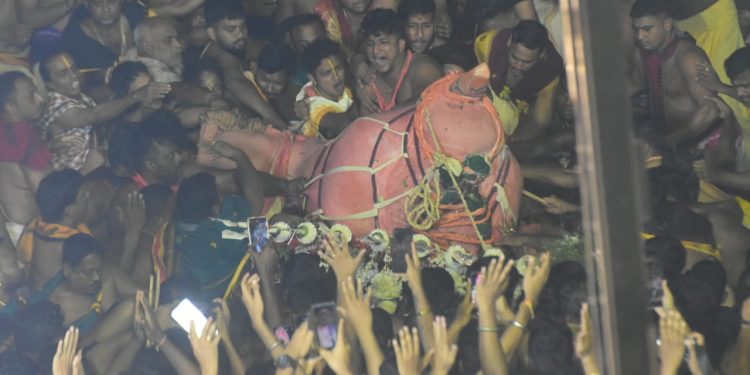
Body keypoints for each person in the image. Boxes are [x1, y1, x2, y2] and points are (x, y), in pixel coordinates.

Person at [38, 52, 171, 173]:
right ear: (49, 84)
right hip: (75, 179)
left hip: (98, 168)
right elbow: (95, 115)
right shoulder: (55, 106)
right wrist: (138, 95)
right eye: (63, 74)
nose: (73, 76)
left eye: (74, 69)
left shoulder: (79, 96)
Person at [629, 0, 724, 149]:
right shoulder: (640, 54)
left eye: (647, 29)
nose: (640, 36)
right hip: (671, 138)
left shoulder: (688, 58)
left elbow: (710, 110)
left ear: (667, 25)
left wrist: (666, 143)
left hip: (703, 140)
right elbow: (636, 83)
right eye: (636, 29)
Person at [202, 0, 289, 129]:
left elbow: (263, 47)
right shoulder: (220, 55)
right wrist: (280, 124)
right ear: (212, 33)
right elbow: (236, 81)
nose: (241, 34)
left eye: (243, 27)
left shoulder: (237, 43)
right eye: (231, 29)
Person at [474, 19, 563, 139]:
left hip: (518, 121)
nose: (518, 66)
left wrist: (508, 143)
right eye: (514, 57)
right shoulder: (488, 44)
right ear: (509, 41)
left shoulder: (550, 70)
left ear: (542, 54)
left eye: (527, 62)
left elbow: (540, 123)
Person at [16, 169, 91, 289]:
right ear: (69, 209)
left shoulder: (35, 224)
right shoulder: (74, 245)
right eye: (84, 195)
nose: (89, 197)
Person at [0, 72, 50, 248]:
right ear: (11, 107)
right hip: (34, 235)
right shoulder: (28, 139)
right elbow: (48, 197)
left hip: (10, 228)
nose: (40, 99)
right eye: (31, 95)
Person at [359, 9, 442, 114]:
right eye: (370, 44)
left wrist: (383, 119)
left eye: (384, 42)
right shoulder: (366, 79)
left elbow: (428, 100)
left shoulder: (422, 68)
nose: (375, 51)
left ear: (401, 45)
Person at [294, 38, 356, 138]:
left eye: (338, 68)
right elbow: (343, 123)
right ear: (312, 78)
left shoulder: (342, 87)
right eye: (327, 73)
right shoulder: (311, 106)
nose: (336, 77)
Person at [62, 0, 146, 72]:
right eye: (98, 3)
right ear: (87, 5)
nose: (106, 9)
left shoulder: (136, 17)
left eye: (112, 1)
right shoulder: (76, 38)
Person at [398, 0, 476, 74]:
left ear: (435, 25)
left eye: (426, 26)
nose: (420, 34)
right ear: (402, 26)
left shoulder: (451, 54)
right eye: (412, 26)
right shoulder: (398, 52)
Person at [123, 17, 184, 83]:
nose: (178, 45)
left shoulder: (133, 54)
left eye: (176, 38)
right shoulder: (163, 79)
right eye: (168, 41)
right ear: (147, 47)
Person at [248, 43, 299, 121]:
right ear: (254, 68)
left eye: (278, 83)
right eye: (264, 80)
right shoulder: (244, 87)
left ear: (290, 79)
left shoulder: (297, 98)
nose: (269, 89)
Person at [284, 14, 327, 88]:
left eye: (317, 42)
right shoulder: (293, 77)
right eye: (304, 45)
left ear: (327, 37)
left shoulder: (342, 62)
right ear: (293, 46)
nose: (313, 48)